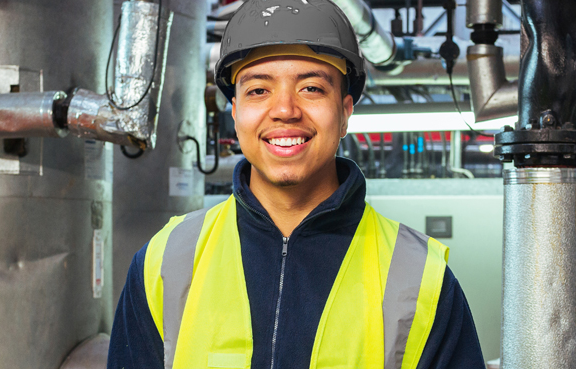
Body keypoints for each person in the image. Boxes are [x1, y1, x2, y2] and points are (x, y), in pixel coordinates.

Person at [108, 1, 484, 368]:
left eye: (312, 89)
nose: (285, 109)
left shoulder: (422, 279)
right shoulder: (165, 263)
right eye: (258, 89)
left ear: (345, 112)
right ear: (235, 112)